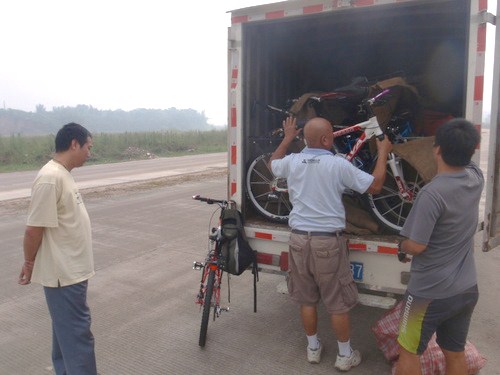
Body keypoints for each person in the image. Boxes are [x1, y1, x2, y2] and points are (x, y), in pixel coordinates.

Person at [269, 116, 392, 371]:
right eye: (332, 135)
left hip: (299, 239)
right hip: (327, 242)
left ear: (304, 138)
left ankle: (313, 349)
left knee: (307, 300)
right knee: (337, 303)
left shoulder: (292, 162)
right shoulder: (338, 165)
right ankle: (344, 355)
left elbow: (272, 163)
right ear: (326, 139)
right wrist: (383, 153)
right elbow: (376, 185)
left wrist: (288, 137)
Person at [395, 118, 483, 375]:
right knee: (454, 353)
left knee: (408, 352)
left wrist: (402, 246)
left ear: (437, 150)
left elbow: (417, 245)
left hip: (428, 293)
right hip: (467, 289)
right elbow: (466, 157)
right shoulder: (476, 178)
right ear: (472, 150)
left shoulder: (432, 194)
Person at [18, 123, 97, 375]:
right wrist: (29, 263)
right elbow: (34, 229)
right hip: (64, 275)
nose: (89, 152)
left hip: (72, 273)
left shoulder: (63, 174)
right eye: (88, 147)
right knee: (77, 336)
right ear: (74, 143)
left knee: (65, 335)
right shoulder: (50, 178)